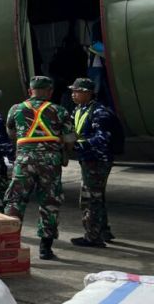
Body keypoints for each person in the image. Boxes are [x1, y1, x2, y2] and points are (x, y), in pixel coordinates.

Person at [4, 76, 75, 260]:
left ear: (30, 91)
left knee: (15, 201)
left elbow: (11, 132)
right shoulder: (59, 110)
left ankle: (10, 243)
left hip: (24, 160)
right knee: (49, 202)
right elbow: (69, 140)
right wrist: (62, 149)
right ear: (50, 92)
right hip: (50, 162)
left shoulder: (16, 109)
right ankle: (45, 248)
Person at [69, 78, 116, 248]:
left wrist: (79, 145)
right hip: (87, 159)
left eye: (77, 91)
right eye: (73, 91)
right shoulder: (79, 109)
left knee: (90, 199)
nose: (73, 94)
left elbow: (102, 138)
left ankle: (92, 236)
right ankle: (103, 230)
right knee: (98, 196)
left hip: (97, 161)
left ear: (88, 93)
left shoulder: (99, 112)